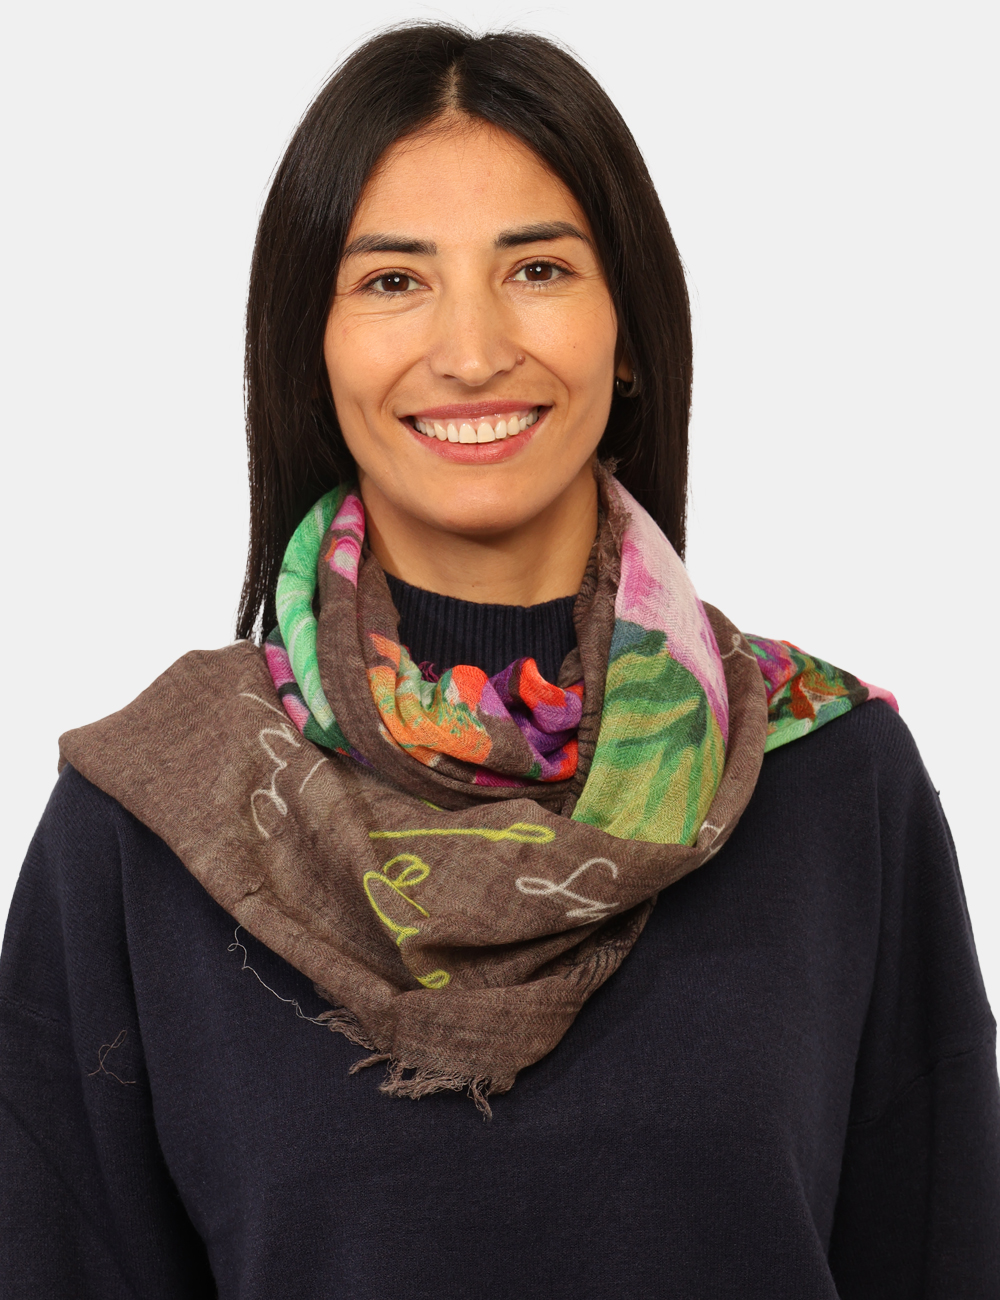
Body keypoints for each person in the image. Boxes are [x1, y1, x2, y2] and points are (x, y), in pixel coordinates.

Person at [1, 22, 997, 1299]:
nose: (471, 352)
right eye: (391, 281)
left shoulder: (832, 780)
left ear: (628, 333)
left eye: (537, 268)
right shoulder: (148, 819)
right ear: (310, 344)